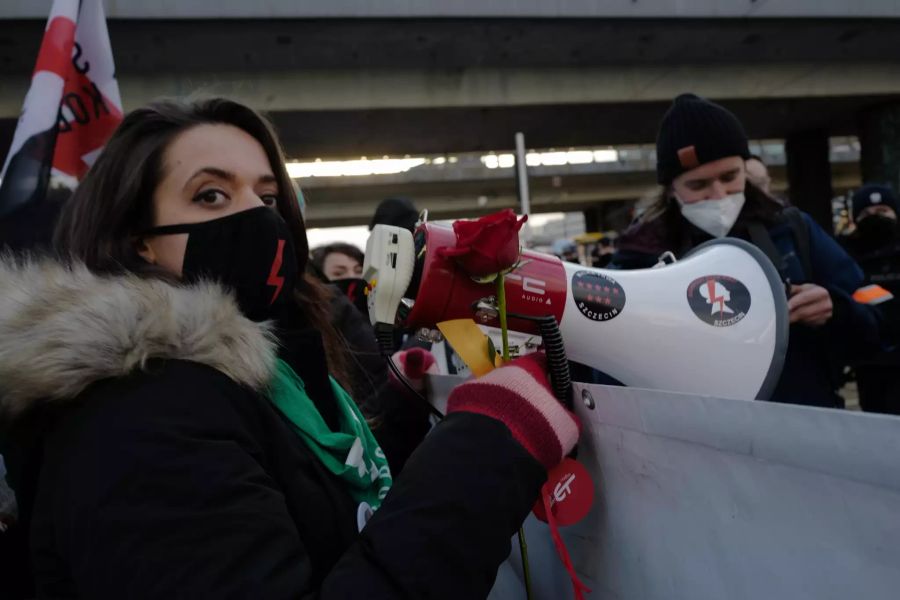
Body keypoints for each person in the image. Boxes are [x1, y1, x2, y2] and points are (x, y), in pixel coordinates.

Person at [0, 98, 579, 598]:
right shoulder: (138, 415)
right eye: (210, 195)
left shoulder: (267, 371)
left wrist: (397, 412)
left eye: (269, 195)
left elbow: (311, 512)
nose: (255, 214)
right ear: (139, 242)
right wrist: (488, 447)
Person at [610, 93, 881, 408]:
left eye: (730, 177)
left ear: (746, 169)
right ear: (671, 189)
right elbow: (609, 360)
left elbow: (877, 319)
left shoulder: (794, 230)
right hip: (691, 431)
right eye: (698, 186)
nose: (719, 194)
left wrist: (836, 307)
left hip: (803, 422)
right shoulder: (639, 256)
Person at [842, 184, 900, 414]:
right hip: (871, 361)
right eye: (867, 214)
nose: (876, 218)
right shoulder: (846, 257)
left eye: (883, 210)